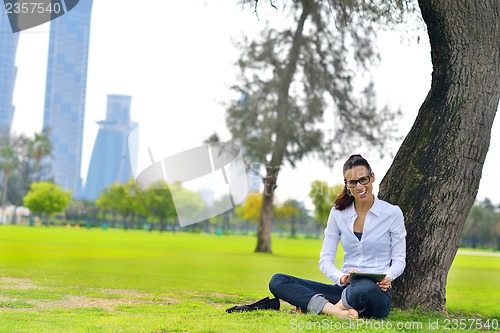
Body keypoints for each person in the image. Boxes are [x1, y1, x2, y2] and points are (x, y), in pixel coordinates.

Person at [268, 154, 406, 319]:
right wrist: (343, 277)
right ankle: (338, 312)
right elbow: (325, 260)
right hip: (344, 290)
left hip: (376, 293)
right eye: (352, 182)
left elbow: (399, 260)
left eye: (363, 179)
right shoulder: (338, 213)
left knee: (363, 286)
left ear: (372, 177)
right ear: (347, 185)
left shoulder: (392, 213)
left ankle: (324, 308)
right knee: (278, 281)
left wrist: (387, 277)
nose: (359, 187)